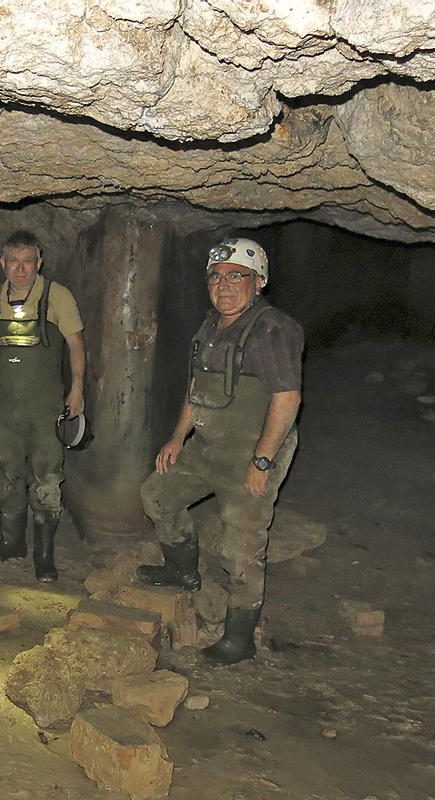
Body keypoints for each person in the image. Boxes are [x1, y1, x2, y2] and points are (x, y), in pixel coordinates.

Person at [136, 237, 303, 666]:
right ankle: (182, 569)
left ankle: (240, 636)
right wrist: (177, 438)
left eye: (236, 277)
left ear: (259, 282)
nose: (224, 286)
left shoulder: (272, 329)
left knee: (242, 541)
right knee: (157, 493)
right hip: (209, 445)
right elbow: (196, 389)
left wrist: (262, 461)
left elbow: (287, 398)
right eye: (216, 277)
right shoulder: (211, 325)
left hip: (252, 452)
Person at [0, 230, 86, 582]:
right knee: (7, 469)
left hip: (46, 403)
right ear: (3, 264)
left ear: (39, 263)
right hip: (5, 403)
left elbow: (76, 344)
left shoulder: (56, 296)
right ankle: (10, 542)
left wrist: (77, 388)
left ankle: (44, 555)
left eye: (28, 261)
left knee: (47, 474)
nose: (21, 269)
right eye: (14, 262)